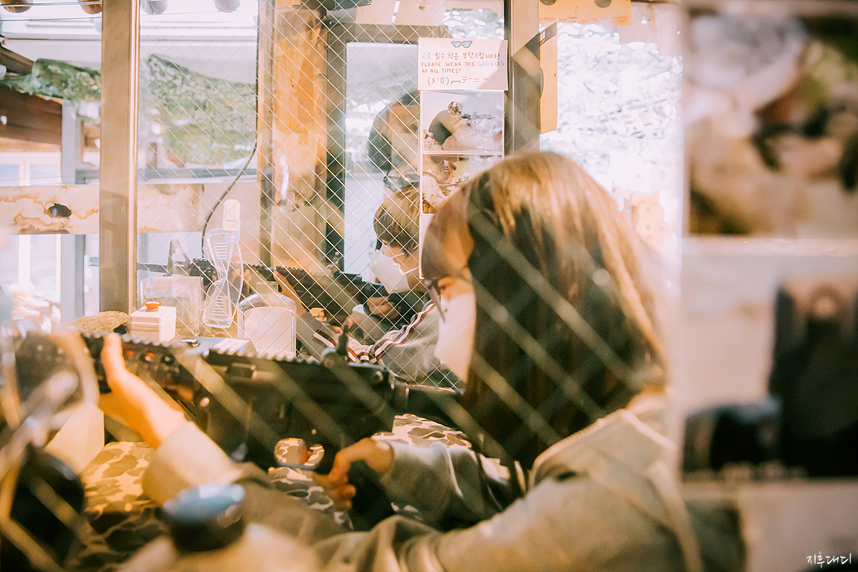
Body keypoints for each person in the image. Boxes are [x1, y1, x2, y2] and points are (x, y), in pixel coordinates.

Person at [99, 152, 742, 572]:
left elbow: (367, 568)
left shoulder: (622, 503)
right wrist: (407, 465)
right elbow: (526, 494)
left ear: (527, 295)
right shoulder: (643, 426)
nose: (439, 321)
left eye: (449, 292)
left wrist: (180, 444)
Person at [279, 186, 454, 387]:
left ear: (421, 246)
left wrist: (301, 317)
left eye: (388, 243)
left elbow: (370, 368)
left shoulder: (443, 310)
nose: (383, 254)